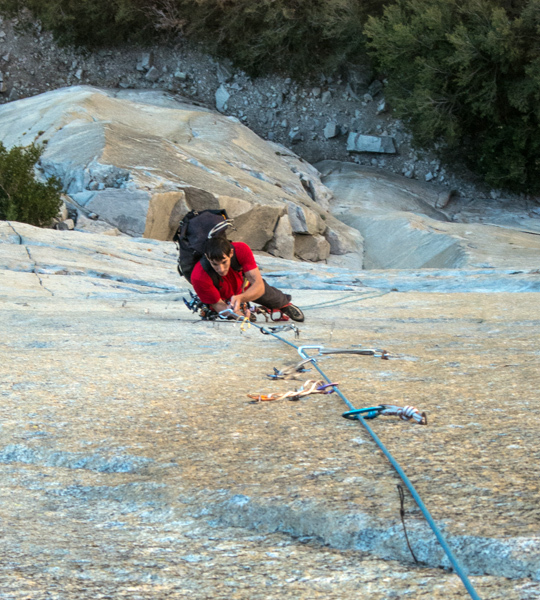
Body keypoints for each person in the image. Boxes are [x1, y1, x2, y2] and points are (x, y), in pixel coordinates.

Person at [190, 237, 304, 322]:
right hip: (222, 294)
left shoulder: (241, 250)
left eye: (224, 262)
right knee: (229, 312)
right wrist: (239, 316)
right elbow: (217, 304)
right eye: (215, 264)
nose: (221, 269)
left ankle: (284, 304)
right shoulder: (199, 276)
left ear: (231, 253)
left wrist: (241, 297)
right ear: (207, 257)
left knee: (272, 296)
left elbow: (258, 285)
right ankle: (244, 310)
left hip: (243, 285)